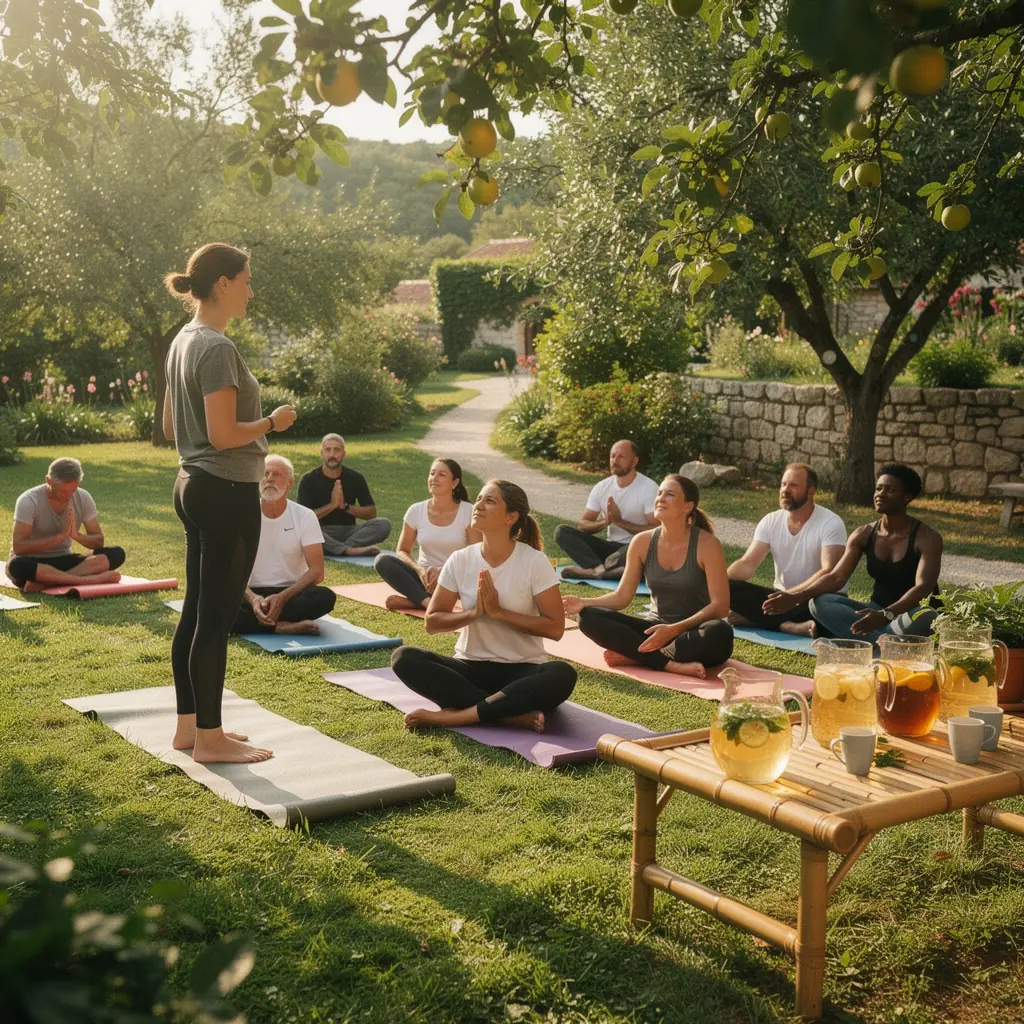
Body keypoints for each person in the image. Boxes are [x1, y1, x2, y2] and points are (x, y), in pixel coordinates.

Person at [163, 242, 296, 764]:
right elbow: (222, 435)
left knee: (198, 611)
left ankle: (189, 729)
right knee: (215, 620)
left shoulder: (183, 340)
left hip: (192, 484)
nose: (251, 291)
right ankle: (210, 739)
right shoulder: (216, 347)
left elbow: (173, 427)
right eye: (246, 281)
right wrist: (272, 423)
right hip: (225, 491)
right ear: (223, 284)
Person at [391, 479, 577, 732]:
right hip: (471, 667)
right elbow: (432, 622)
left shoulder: (534, 561)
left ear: (511, 517)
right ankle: (506, 715)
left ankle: (455, 717)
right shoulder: (460, 559)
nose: (478, 505)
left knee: (562, 674)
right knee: (404, 657)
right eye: (479, 498)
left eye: (489, 501)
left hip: (522, 671)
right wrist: (475, 613)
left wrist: (499, 613)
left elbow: (555, 628)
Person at [563, 474, 733, 678]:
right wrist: (583, 602)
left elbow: (720, 606)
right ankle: (668, 664)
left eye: (670, 494)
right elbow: (622, 597)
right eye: (659, 493)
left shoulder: (707, 545)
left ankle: (637, 656)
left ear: (687, 506)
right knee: (588, 617)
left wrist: (673, 630)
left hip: (694, 630)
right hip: (653, 629)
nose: (660, 498)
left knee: (719, 633)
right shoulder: (641, 542)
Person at [763, 465, 942, 644]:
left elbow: (923, 587)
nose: (880, 494)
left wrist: (886, 614)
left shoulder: (927, 538)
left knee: (926, 616)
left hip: (911, 613)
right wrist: (796, 597)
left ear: (906, 497)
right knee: (820, 603)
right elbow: (837, 577)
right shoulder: (863, 534)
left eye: (890, 490)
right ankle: (884, 643)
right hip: (876, 610)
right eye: (879, 488)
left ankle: (875, 643)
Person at [726, 463, 847, 637]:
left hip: (815, 598)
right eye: (783, 484)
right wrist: (720, 582)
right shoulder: (771, 521)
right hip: (779, 598)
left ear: (811, 492)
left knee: (826, 608)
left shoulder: (831, 523)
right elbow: (748, 563)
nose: (785, 490)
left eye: (794, 485)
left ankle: (759, 619)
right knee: (728, 587)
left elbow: (829, 572)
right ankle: (787, 625)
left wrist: (792, 597)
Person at [232, 454, 337, 635]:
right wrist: (254, 599)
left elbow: (317, 572)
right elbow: (231, 570)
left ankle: (259, 623)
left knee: (325, 597)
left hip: (291, 593)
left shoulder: (305, 516)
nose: (270, 479)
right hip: (249, 592)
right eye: (265, 474)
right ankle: (281, 626)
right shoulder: (241, 515)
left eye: (277, 474)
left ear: (289, 483)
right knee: (213, 601)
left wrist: (282, 598)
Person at [373, 457, 480, 610]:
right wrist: (420, 570)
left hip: (456, 577)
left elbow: (476, 554)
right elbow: (402, 551)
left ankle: (416, 601)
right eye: (432, 473)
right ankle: (429, 603)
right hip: (424, 580)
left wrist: (443, 571)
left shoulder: (468, 511)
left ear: (454, 483)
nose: (434, 478)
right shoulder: (416, 511)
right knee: (382, 561)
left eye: (441, 475)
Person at [6, 457, 126, 589]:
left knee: (116, 554)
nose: (68, 495)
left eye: (72, 490)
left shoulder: (83, 498)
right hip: (33, 563)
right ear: (48, 481)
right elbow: (19, 547)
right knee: (16, 565)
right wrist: (61, 536)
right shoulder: (29, 501)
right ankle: (90, 580)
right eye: (63, 491)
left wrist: (77, 536)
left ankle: (46, 583)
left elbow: (98, 542)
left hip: (64, 560)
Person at [554, 439, 657, 579]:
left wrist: (620, 522)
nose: (615, 461)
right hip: (611, 548)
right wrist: (606, 522)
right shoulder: (602, 487)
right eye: (612, 456)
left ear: (634, 461)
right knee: (562, 532)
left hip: (635, 547)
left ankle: (603, 570)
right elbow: (583, 524)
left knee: (634, 552)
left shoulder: (649, 488)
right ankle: (598, 569)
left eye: (621, 457)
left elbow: (656, 530)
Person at [297, 434, 391, 557]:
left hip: (350, 531)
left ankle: (340, 548)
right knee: (303, 530)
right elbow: (302, 519)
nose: (332, 454)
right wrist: (332, 505)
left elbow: (371, 513)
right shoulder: (308, 479)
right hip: (321, 531)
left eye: (337, 450)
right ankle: (349, 550)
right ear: (322, 453)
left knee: (384, 524)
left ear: (343, 454)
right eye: (328, 450)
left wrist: (345, 506)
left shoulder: (355, 477)